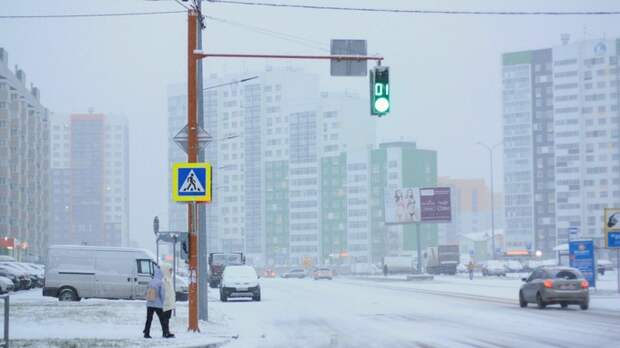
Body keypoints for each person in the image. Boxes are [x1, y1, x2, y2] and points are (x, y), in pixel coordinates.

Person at [143, 265, 171, 339]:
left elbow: (146, 292)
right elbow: (162, 294)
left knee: (149, 319)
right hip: (158, 305)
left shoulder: (151, 281)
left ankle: (146, 332)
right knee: (162, 319)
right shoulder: (160, 283)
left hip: (149, 304)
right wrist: (163, 302)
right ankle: (165, 333)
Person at [161, 264, 176, 338]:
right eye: (170, 270)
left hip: (169, 303)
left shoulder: (169, 279)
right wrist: (166, 299)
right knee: (165, 318)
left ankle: (167, 332)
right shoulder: (165, 280)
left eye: (171, 270)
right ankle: (165, 332)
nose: (171, 271)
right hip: (166, 302)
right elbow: (165, 292)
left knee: (167, 318)